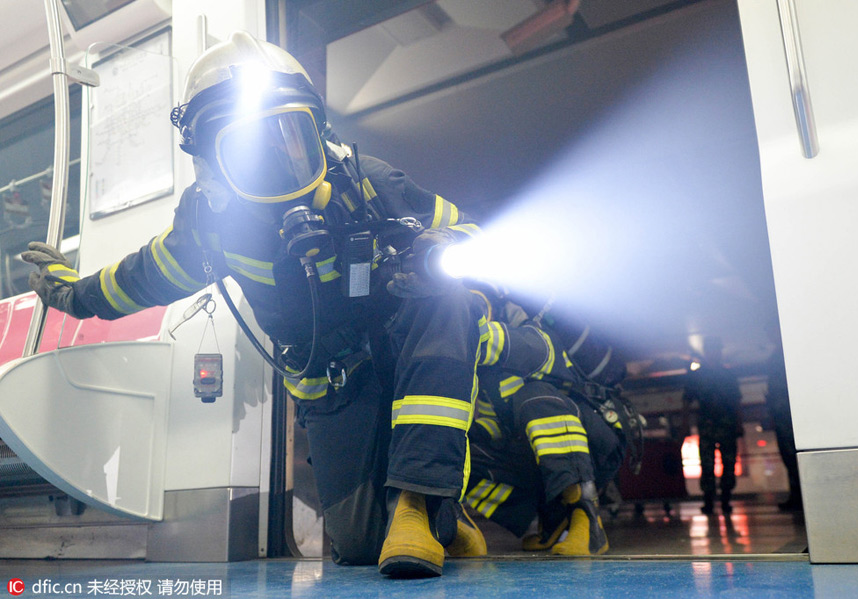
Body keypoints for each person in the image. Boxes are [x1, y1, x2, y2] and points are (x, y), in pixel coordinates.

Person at [22, 31, 488, 578]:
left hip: (401, 354)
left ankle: (420, 505)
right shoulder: (211, 225)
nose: (279, 159)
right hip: (332, 385)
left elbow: (470, 234)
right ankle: (442, 519)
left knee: (451, 294)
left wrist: (440, 247)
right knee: (359, 546)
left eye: (291, 137)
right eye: (250, 148)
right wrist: (72, 293)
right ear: (211, 164)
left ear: (320, 134)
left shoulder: (366, 183)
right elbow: (141, 278)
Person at [463, 286, 633, 555]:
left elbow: (539, 354)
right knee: (457, 448)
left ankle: (587, 519)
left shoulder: (532, 321)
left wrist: (473, 337)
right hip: (552, 450)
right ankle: (553, 515)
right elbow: (494, 426)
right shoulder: (483, 373)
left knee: (535, 398)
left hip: (598, 440)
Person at [682, 336, 742, 515]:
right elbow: (686, 400)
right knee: (707, 464)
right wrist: (684, 423)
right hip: (707, 425)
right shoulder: (697, 376)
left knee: (729, 463)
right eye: (711, 350)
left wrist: (739, 423)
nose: (714, 354)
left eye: (716, 350)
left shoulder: (728, 375)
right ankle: (709, 501)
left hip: (727, 425)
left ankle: (725, 500)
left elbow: (737, 401)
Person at [764, 318, 802, 511]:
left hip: (794, 416)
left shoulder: (792, 353)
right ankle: (796, 495)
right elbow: (771, 392)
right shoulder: (774, 358)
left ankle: (801, 496)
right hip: (781, 416)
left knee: (796, 456)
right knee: (788, 456)